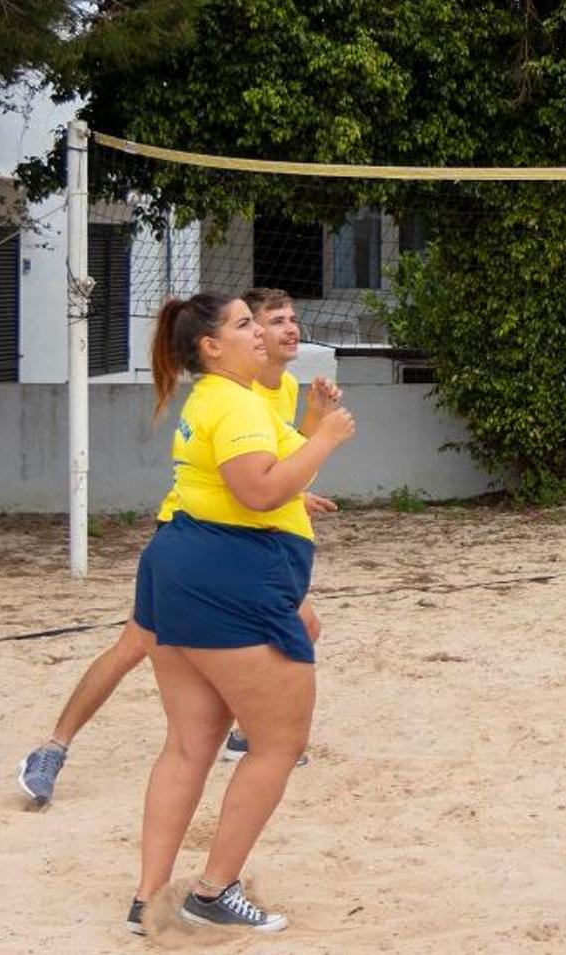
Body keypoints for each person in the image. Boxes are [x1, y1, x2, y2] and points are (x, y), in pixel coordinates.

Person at [18, 287, 340, 805]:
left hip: (240, 542)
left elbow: (281, 460)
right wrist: (304, 462)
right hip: (200, 539)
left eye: (291, 319)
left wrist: (312, 430)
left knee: (305, 625)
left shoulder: (280, 387)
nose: (286, 330)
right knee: (134, 646)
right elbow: (248, 478)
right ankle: (53, 747)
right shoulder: (234, 391)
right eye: (270, 321)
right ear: (225, 341)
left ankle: (244, 734)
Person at [130, 292, 355, 935]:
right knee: (279, 743)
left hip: (183, 566)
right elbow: (258, 490)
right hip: (233, 576)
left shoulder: (218, 397)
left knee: (188, 746)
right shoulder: (235, 402)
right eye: (244, 324)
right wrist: (327, 439)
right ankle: (213, 891)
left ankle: (148, 900)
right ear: (211, 346)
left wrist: (308, 433)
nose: (258, 332)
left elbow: (262, 475)